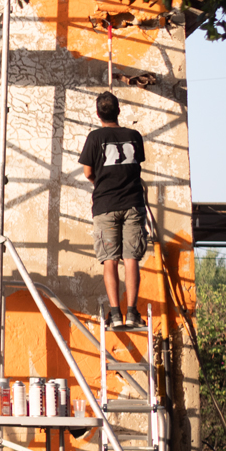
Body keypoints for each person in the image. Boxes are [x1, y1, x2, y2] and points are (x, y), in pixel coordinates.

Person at [80, 91, 147, 330]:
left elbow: (88, 172)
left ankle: (115, 315)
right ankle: (132, 312)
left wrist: (102, 182)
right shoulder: (134, 136)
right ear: (119, 111)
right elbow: (135, 166)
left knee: (110, 260)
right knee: (131, 259)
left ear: (98, 114)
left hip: (105, 206)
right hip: (133, 204)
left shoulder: (94, 137)